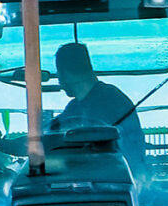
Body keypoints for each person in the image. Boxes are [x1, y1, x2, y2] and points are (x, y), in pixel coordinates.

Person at [51, 40, 147, 170]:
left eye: (58, 72)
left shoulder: (111, 101)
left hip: (119, 177)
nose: (58, 79)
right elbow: (53, 130)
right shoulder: (74, 107)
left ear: (66, 73)